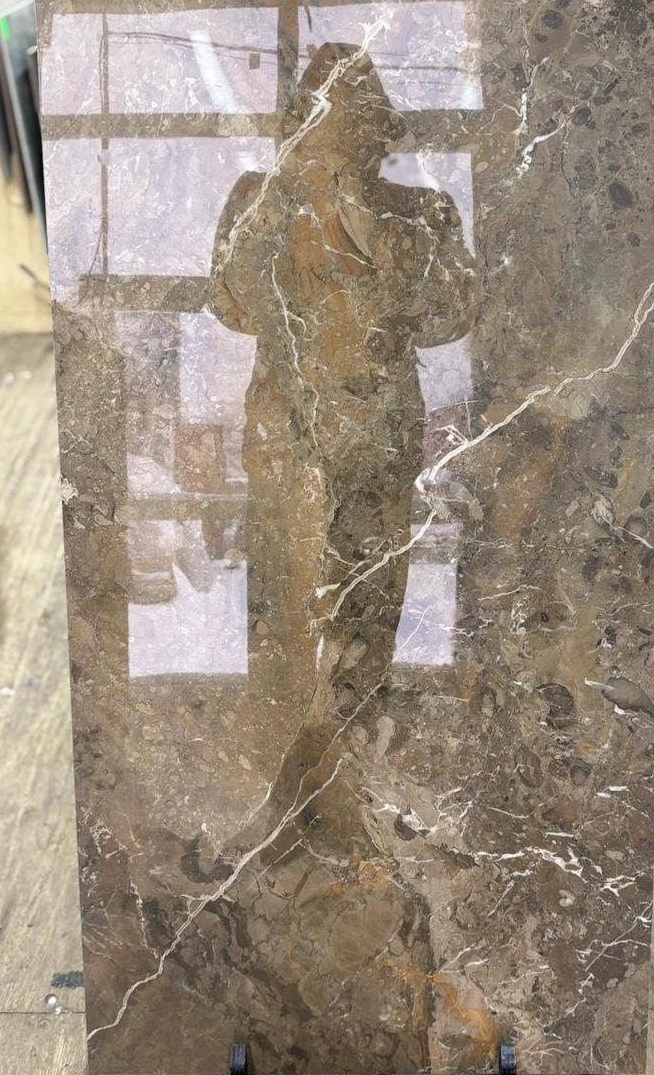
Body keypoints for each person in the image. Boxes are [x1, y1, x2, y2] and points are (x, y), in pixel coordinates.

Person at [205, 41, 482, 826]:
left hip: (380, 435)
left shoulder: (420, 211)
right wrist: (298, 207)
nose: (338, 130)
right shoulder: (257, 198)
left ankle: (351, 776)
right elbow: (229, 304)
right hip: (287, 433)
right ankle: (283, 778)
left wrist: (370, 235)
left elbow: (454, 314)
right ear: (298, 122)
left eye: (356, 114)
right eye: (322, 114)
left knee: (370, 603)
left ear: (379, 127)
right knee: (284, 601)